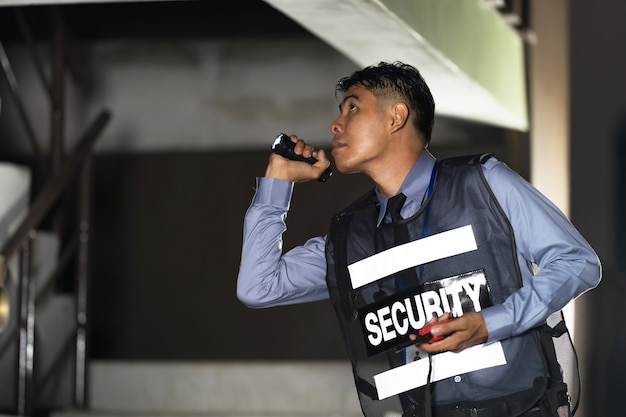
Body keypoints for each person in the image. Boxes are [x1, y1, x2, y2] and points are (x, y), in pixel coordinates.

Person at [236, 61, 601, 417]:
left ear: (396, 117)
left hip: (524, 406)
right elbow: (258, 287)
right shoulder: (351, 236)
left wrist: (492, 322)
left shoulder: (485, 182)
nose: (335, 124)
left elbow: (577, 261)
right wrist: (277, 182)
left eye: (352, 108)